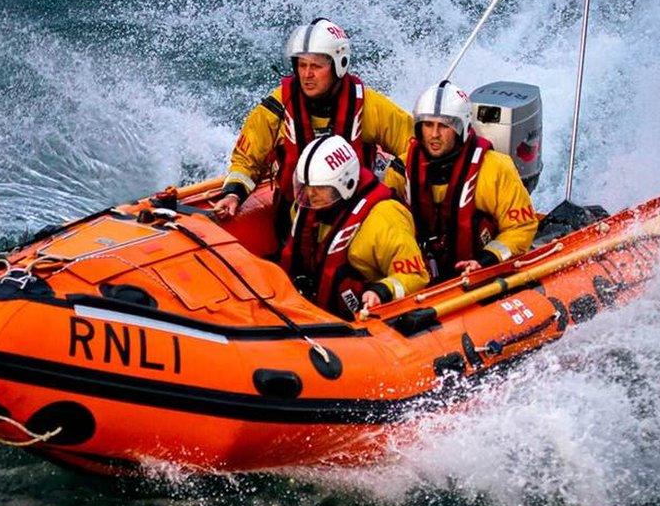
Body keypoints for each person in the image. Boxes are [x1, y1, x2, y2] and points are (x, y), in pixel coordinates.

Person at [212, 18, 415, 227]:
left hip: (356, 216)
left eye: (316, 66)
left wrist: (387, 187)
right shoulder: (278, 106)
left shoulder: (369, 106)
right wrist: (233, 194)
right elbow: (246, 160)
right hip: (294, 217)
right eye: (302, 65)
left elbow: (414, 147)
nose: (307, 75)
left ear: (339, 65)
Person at [383, 80, 538, 281]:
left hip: (480, 271)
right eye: (428, 125)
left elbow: (521, 227)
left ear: (461, 128)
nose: (434, 135)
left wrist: (487, 259)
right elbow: (387, 227)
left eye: (444, 126)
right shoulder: (401, 170)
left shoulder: (495, 168)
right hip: (421, 276)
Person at [280, 135, 429, 319]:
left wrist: (382, 290)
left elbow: (415, 275)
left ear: (345, 184)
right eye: (307, 186)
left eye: (320, 187)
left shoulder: (385, 219)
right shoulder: (306, 210)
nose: (311, 194)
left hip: (357, 323)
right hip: (309, 311)